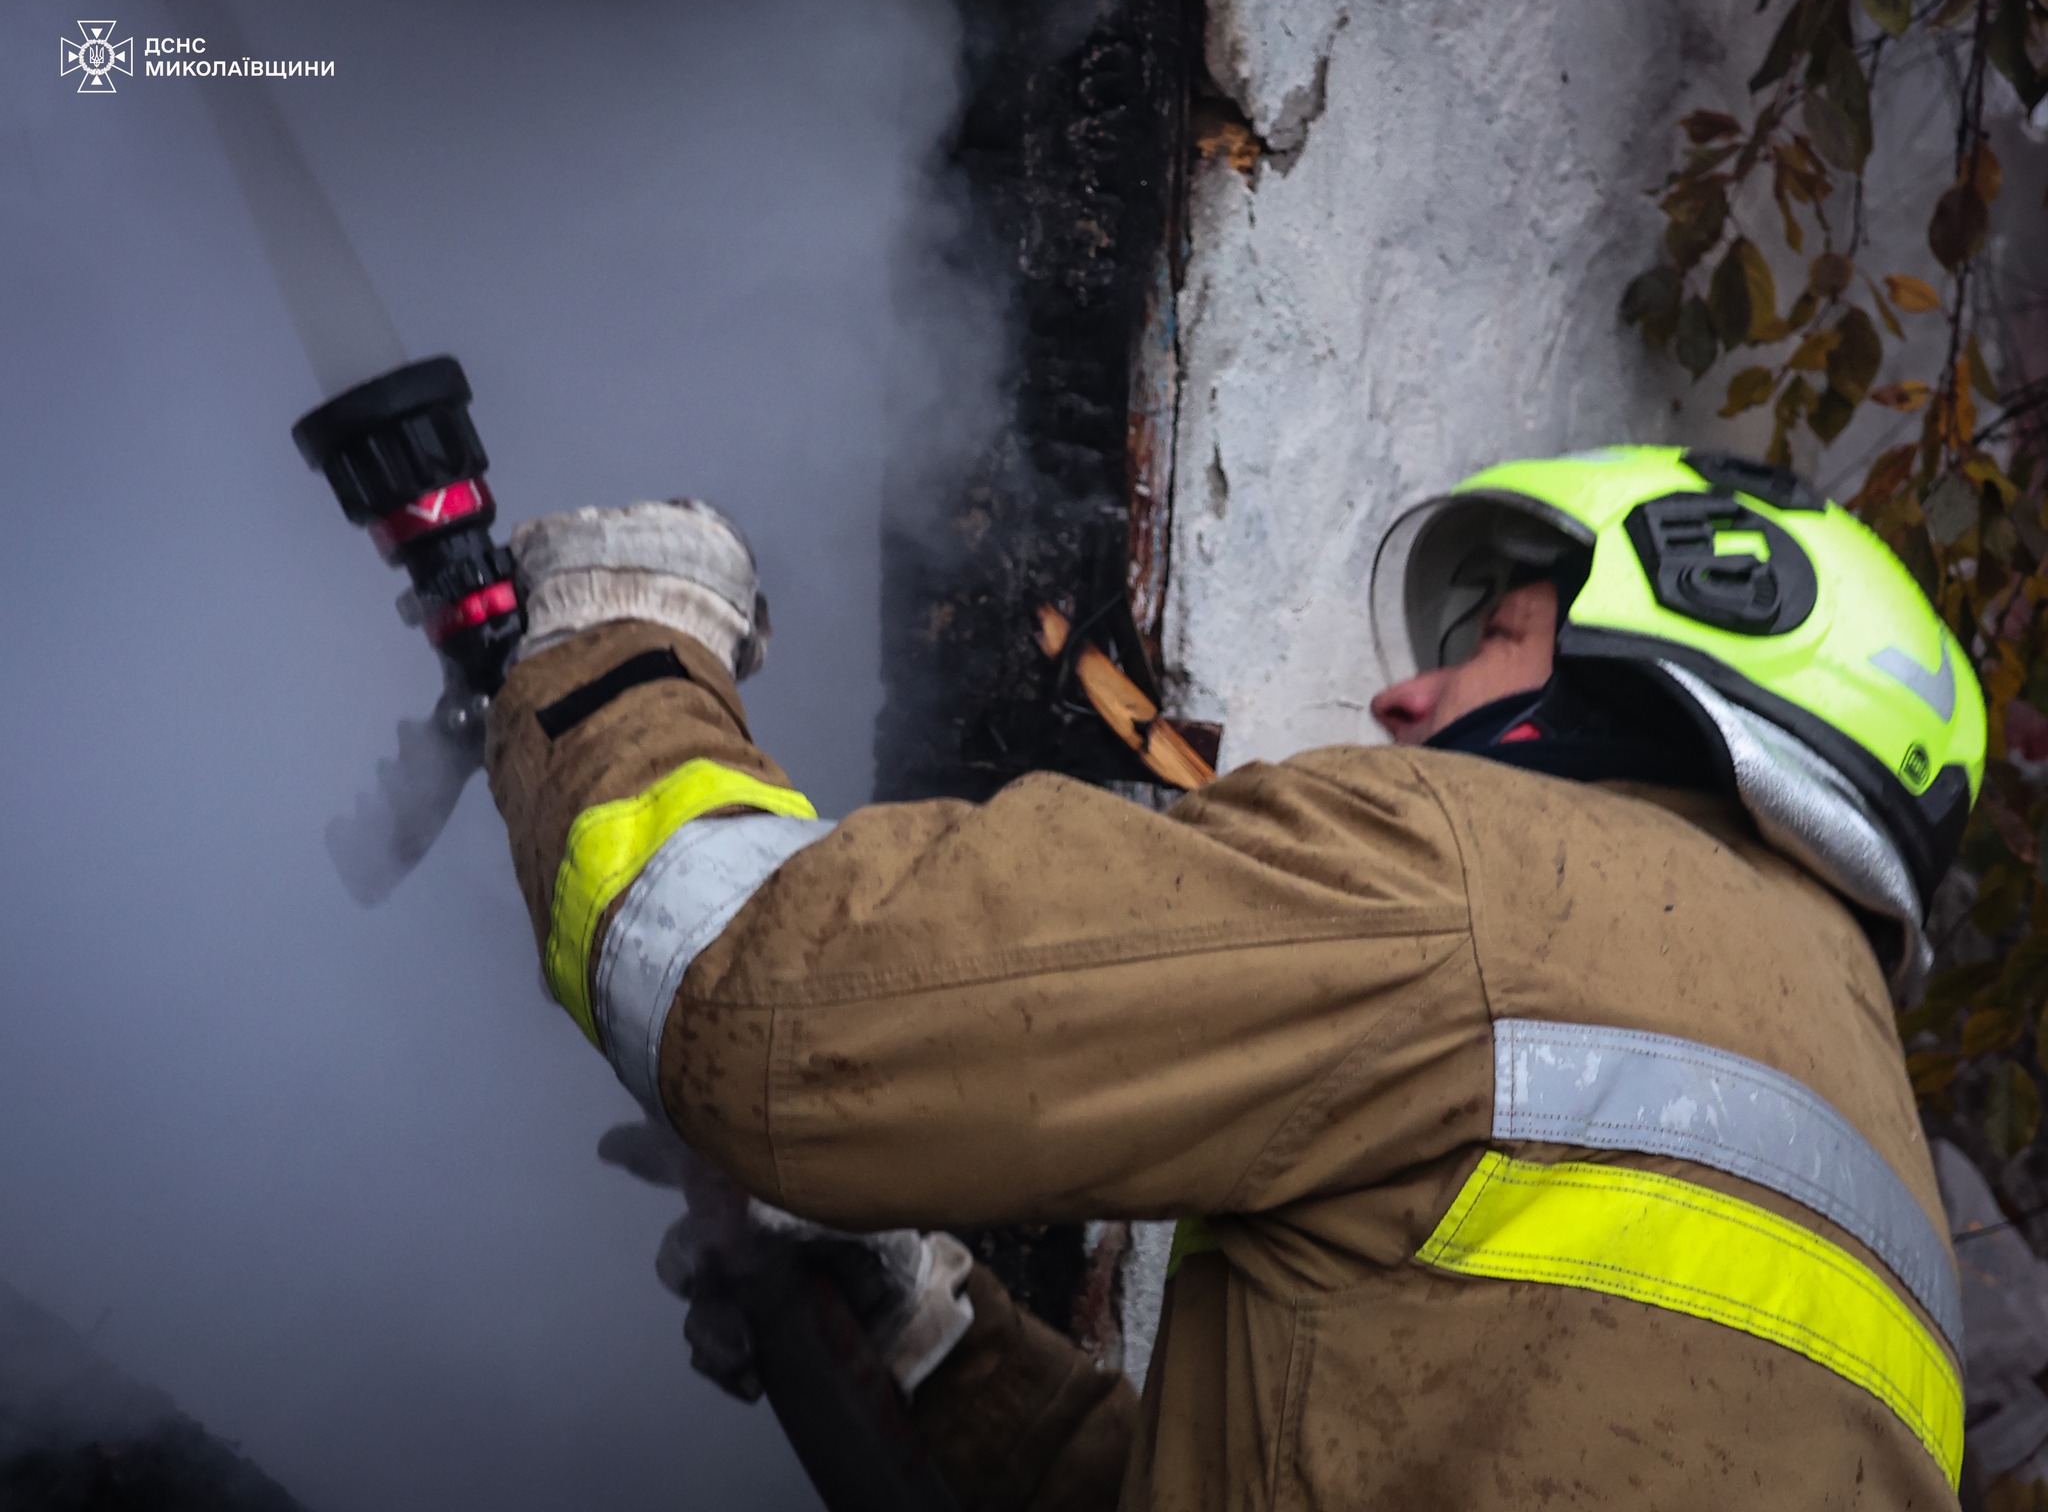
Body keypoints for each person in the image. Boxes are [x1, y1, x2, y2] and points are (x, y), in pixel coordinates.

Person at [484, 446, 1985, 1508]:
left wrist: (621, 639)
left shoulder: (1483, 876)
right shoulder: (1900, 1218)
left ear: (1684, 645)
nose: (1404, 690)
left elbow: (764, 1014)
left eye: (1488, 631)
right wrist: (932, 1349)